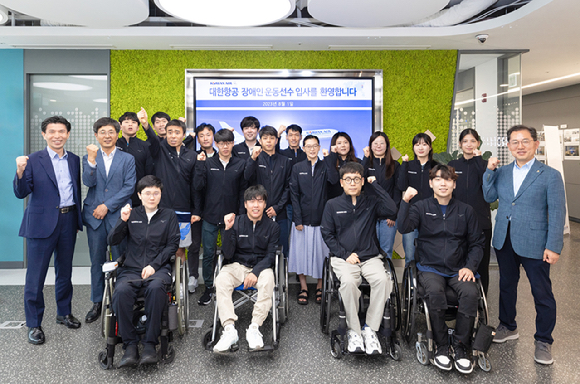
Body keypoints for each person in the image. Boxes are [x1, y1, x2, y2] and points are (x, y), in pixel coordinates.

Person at [483, 125, 566, 365]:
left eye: (525, 141)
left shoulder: (549, 175)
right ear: (508, 146)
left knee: (542, 292)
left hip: (535, 242)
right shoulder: (502, 171)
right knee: (507, 286)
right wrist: (489, 172)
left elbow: (558, 212)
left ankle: (543, 340)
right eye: (515, 142)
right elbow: (489, 197)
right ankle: (508, 326)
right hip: (504, 239)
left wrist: (554, 246)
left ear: (535, 144)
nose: (520, 146)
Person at [398, 164, 484, 374]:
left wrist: (470, 267)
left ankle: (461, 346)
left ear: (454, 184)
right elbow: (403, 227)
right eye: (438, 179)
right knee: (434, 293)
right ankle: (442, 345)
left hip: (459, 268)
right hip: (430, 267)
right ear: (430, 183)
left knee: (471, 293)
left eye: (447, 180)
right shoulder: (421, 207)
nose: (442, 183)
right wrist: (405, 202)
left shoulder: (466, 211)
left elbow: (477, 244)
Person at [14, 116, 83, 345]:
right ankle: (34, 324)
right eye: (52, 131)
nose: (57, 135)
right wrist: (20, 170)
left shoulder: (73, 159)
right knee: (36, 277)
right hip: (41, 224)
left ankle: (64, 313)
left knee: (65, 272)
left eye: (61, 131)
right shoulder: (32, 159)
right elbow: (21, 192)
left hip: (68, 220)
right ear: (44, 134)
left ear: (68, 134)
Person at [320, 162, 397, 355]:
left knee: (383, 280)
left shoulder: (370, 202)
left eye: (356, 179)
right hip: (343, 258)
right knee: (348, 282)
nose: (352, 183)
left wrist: (375, 185)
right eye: (348, 179)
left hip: (369, 256)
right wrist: (345, 254)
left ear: (362, 181)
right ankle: (354, 330)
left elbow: (391, 210)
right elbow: (327, 233)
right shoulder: (332, 205)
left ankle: (370, 329)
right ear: (342, 183)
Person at [108, 175, 180, 367]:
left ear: (160, 194)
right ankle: (130, 345)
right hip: (131, 269)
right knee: (121, 292)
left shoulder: (169, 215)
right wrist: (122, 221)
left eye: (156, 193)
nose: (152, 197)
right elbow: (112, 240)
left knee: (157, 289)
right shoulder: (131, 214)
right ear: (139, 195)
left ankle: (149, 343)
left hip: (158, 269)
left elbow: (172, 244)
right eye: (147, 193)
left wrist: (154, 266)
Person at [213, 185, 280, 353]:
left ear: (265, 205)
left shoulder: (273, 227)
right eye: (251, 201)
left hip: (261, 267)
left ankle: (254, 328)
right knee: (221, 278)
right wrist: (227, 230)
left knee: (268, 280)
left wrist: (255, 272)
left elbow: (271, 256)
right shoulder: (236, 223)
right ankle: (229, 330)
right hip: (237, 265)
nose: (255, 205)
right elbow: (227, 253)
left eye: (259, 201)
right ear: (245, 204)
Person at [82, 117, 136, 324]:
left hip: (117, 216)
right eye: (102, 132)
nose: (107, 136)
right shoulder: (89, 157)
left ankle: (121, 299)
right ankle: (97, 301)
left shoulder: (127, 159)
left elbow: (129, 187)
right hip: (94, 216)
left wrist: (107, 206)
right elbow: (88, 182)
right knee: (96, 260)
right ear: (96, 135)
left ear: (117, 134)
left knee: (120, 259)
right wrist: (91, 160)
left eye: (111, 132)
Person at [142, 117, 203, 294]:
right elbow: (153, 140)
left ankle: (179, 283)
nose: (173, 136)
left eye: (177, 132)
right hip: (161, 210)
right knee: (159, 247)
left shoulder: (192, 156)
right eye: (169, 132)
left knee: (179, 249)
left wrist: (196, 210)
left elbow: (195, 188)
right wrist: (146, 125)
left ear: (184, 135)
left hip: (184, 210)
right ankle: (160, 282)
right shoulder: (159, 150)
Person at [194, 129, 248, 306]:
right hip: (210, 216)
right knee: (209, 254)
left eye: (228, 143)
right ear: (216, 144)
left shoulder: (240, 164)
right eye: (221, 143)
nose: (225, 146)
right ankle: (209, 288)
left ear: (233, 143)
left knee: (230, 254)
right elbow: (198, 187)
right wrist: (200, 166)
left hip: (231, 218)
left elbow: (243, 192)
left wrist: (239, 214)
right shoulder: (207, 163)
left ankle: (229, 286)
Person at [448, 129, 492, 294]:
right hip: (457, 222)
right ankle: (462, 299)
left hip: (481, 222)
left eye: (472, 141)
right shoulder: (453, 165)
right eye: (465, 141)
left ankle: (482, 302)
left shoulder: (484, 164)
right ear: (460, 144)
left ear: (478, 143)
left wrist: (479, 160)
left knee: (482, 264)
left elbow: (488, 184)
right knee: (459, 263)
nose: (469, 144)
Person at [289, 135, 330, 305]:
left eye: (315, 146)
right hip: (302, 220)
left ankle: (320, 286)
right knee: (300, 254)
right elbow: (294, 194)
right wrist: (297, 219)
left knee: (322, 254)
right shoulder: (297, 167)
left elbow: (334, 181)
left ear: (319, 147)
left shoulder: (325, 167)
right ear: (303, 148)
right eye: (308, 146)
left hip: (322, 220)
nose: (312, 149)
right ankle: (304, 287)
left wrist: (329, 160)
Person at [244, 125, 292, 258]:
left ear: (277, 140)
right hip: (258, 212)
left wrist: (278, 207)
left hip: (280, 212)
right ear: (260, 140)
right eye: (265, 138)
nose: (269, 141)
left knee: (282, 249)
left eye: (272, 138)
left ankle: (281, 277)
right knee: (259, 248)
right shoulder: (255, 158)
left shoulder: (285, 161)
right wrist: (252, 158)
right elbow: (246, 178)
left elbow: (288, 186)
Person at [397, 133, 438, 266]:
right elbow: (401, 186)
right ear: (414, 147)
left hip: (432, 217)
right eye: (417, 144)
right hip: (411, 217)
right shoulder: (409, 166)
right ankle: (410, 286)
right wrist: (404, 165)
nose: (421, 147)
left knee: (430, 256)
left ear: (430, 147)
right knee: (410, 257)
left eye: (424, 144)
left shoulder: (436, 167)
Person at [361, 132, 401, 259]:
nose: (379, 146)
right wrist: (366, 158)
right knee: (370, 250)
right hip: (370, 214)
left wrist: (393, 214)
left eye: (382, 143)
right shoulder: (367, 164)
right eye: (375, 143)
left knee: (386, 250)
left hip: (388, 216)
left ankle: (387, 277)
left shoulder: (395, 165)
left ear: (387, 145)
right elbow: (359, 180)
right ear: (370, 146)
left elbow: (397, 190)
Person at [117, 111, 153, 207]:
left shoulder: (145, 145)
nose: (130, 124)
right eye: (126, 122)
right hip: (116, 195)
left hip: (138, 196)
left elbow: (148, 172)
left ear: (137, 127)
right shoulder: (114, 144)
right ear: (120, 126)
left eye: (133, 122)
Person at [324, 132, 360, 200]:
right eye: (339, 143)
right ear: (333, 146)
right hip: (333, 202)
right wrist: (332, 156)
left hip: (354, 202)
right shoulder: (327, 162)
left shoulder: (357, 162)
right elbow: (332, 180)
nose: (343, 145)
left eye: (346, 142)